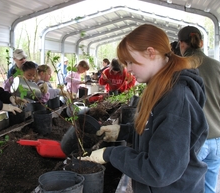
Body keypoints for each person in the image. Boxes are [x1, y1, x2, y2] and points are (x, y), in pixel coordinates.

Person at [81, 24, 209, 193]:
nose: (129, 69)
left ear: (151, 52)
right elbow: (157, 131)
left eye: (131, 61)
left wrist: (110, 154)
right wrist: (123, 131)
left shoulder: (176, 98)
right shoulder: (160, 88)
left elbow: (159, 171)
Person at [178, 26, 220, 193]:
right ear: (200, 43)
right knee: (209, 188)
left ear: (181, 44)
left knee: (186, 187)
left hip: (193, 139)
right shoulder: (219, 67)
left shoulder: (179, 68)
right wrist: (215, 117)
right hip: (217, 140)